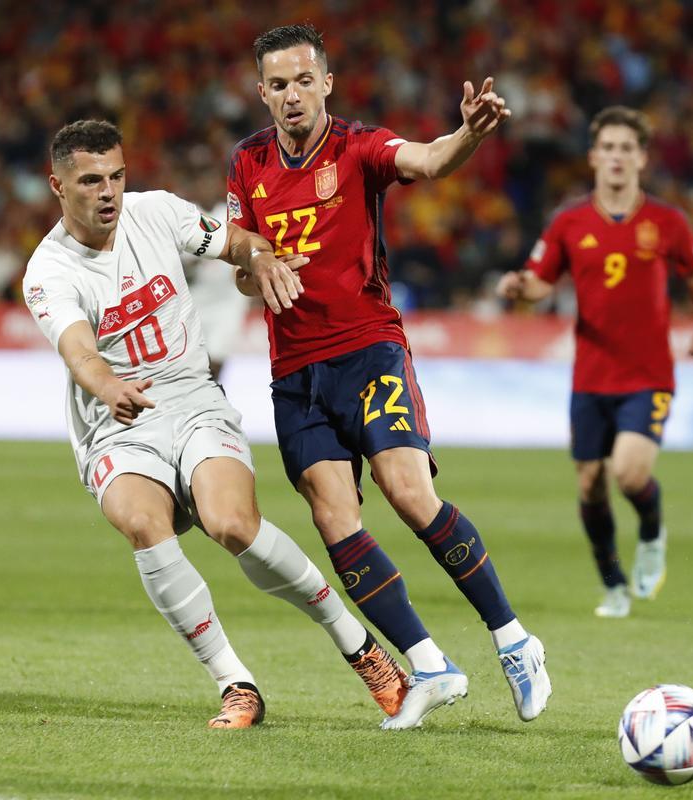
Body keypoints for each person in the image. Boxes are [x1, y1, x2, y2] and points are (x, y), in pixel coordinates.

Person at [22, 119, 409, 730]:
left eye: (116, 176)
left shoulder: (157, 213)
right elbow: (80, 354)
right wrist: (108, 387)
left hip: (192, 396)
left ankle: (359, 648)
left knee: (232, 524)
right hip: (117, 423)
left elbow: (238, 243)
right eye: (90, 180)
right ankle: (236, 684)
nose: (108, 192)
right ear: (58, 186)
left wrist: (262, 255)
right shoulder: (49, 272)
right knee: (142, 522)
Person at [226, 24, 550, 730]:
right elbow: (241, 253)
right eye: (277, 85)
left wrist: (467, 136)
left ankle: (514, 640)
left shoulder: (358, 147)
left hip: (369, 350)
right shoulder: (246, 162)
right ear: (262, 93)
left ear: (326, 84)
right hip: (295, 373)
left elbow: (430, 161)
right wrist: (256, 263)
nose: (291, 96)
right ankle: (429, 665)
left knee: (409, 490)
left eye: (302, 81)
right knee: (334, 520)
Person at [497, 106, 693, 619]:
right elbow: (539, 281)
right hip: (591, 376)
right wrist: (518, 288)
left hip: (648, 375)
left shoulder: (667, 221)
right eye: (609, 148)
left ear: (641, 158)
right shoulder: (570, 222)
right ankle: (613, 583)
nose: (617, 157)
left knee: (629, 473)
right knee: (589, 484)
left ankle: (651, 532)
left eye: (627, 148)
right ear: (594, 156)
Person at [181, 168, 251, 383]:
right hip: (197, 301)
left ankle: (216, 394)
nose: (208, 190)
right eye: (203, 185)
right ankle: (204, 397)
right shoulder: (188, 216)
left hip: (228, 300)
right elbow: (179, 264)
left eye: (212, 185)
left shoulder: (228, 215)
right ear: (196, 189)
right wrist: (194, 261)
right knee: (196, 359)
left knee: (219, 356)